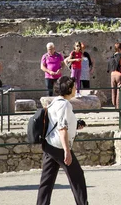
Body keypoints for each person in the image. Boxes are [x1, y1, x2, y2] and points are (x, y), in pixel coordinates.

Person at [36, 76, 88, 205]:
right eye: (74, 87)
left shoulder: (54, 102)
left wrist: (76, 125)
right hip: (59, 146)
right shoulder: (65, 104)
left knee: (47, 181)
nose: (76, 89)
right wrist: (67, 151)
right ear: (69, 89)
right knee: (77, 177)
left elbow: (58, 123)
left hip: (49, 145)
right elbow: (62, 128)